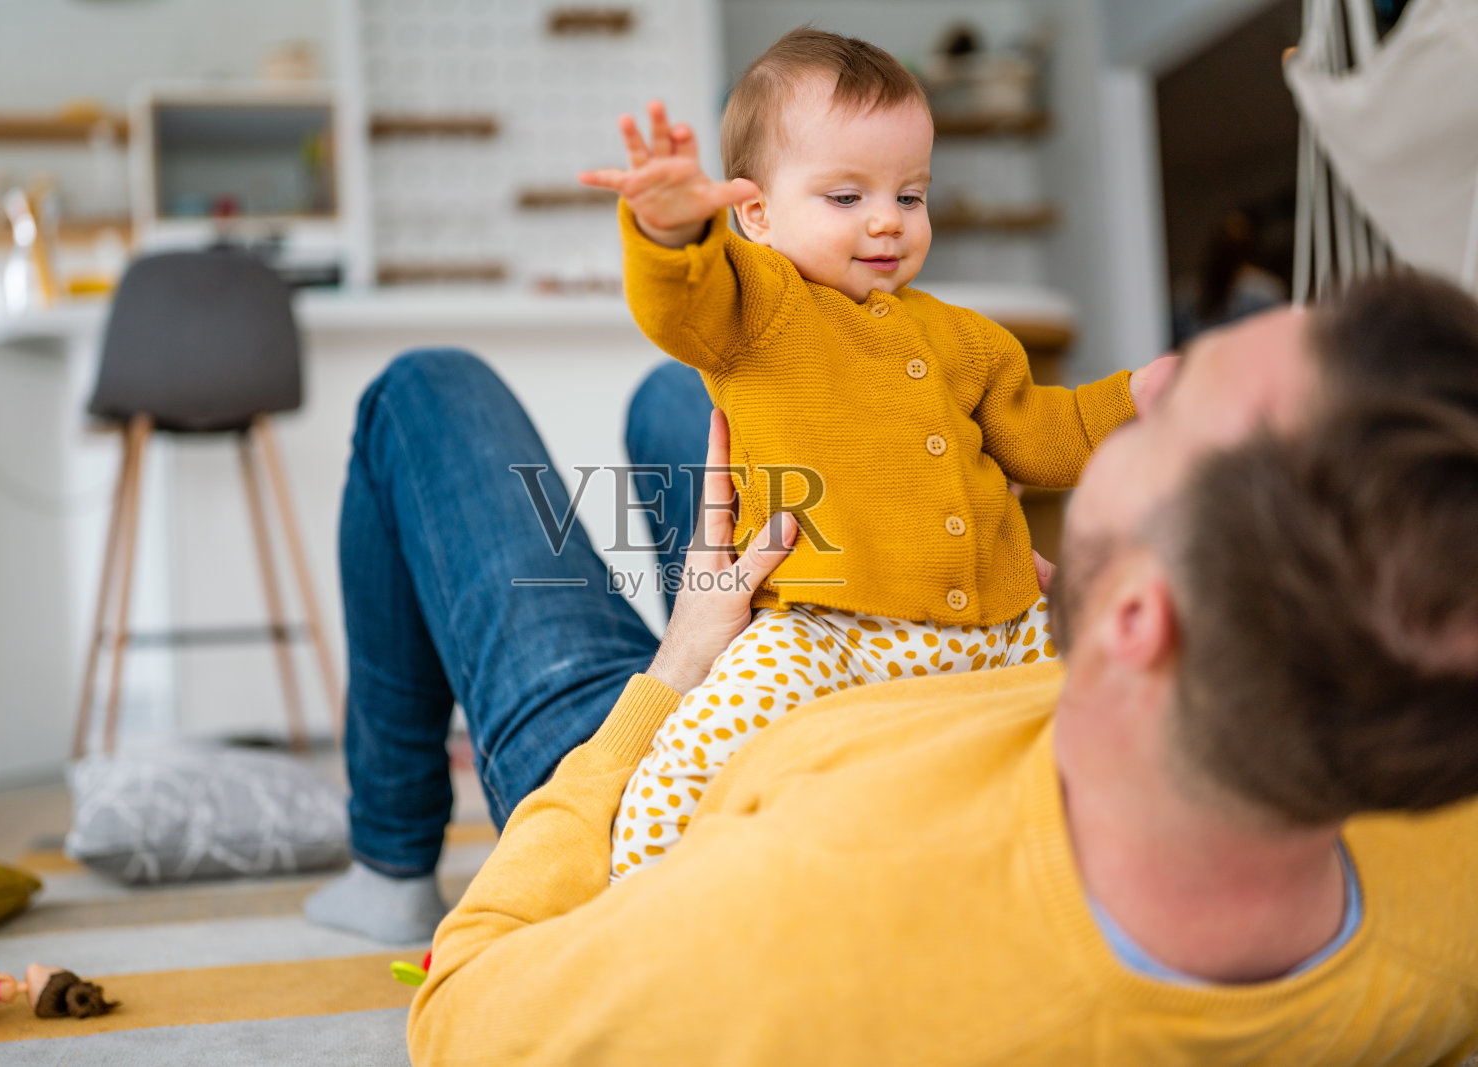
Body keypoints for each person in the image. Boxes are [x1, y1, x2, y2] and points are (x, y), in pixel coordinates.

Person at [403, 272, 1478, 1064]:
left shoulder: (780, 920)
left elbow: (458, 1016)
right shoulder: (1445, 846)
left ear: (1140, 618)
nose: (1132, 401)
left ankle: (386, 859)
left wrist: (672, 678)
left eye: (1170, 411)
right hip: (870, 654)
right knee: (686, 403)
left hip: (663, 778)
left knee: (431, 396)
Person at [578, 28, 1176, 880]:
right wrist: (672, 233)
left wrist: (1134, 399)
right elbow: (682, 306)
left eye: (911, 194)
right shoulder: (759, 306)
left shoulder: (964, 337)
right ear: (755, 214)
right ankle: (639, 894)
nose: (888, 220)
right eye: (846, 196)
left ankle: (1135, 871)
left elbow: (1041, 432)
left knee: (1128, 714)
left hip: (1001, 630)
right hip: (828, 630)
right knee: (694, 750)